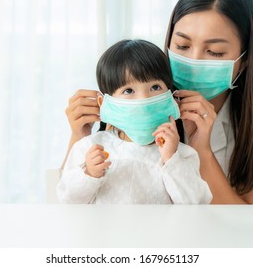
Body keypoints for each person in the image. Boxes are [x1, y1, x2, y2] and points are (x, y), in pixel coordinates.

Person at [61, 0, 253, 204]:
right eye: (182, 46)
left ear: (244, 60)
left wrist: (201, 150)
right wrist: (79, 137)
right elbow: (68, 202)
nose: (194, 61)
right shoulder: (140, 101)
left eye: (214, 52)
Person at [58, 39, 212, 204]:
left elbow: (197, 203)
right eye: (128, 90)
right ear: (104, 104)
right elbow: (67, 201)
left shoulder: (181, 153)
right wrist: (89, 174)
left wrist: (170, 159)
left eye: (155, 87)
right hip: (106, 230)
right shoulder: (89, 147)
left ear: (171, 95)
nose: (144, 100)